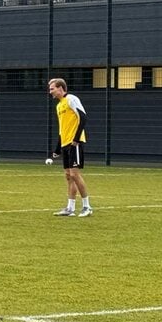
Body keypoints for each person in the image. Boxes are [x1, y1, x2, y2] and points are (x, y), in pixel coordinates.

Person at [48, 77, 92, 217]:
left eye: (52, 89)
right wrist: (57, 149)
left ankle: (87, 207)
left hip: (75, 143)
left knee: (74, 174)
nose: (50, 92)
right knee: (68, 176)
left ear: (60, 88)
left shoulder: (71, 99)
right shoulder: (59, 105)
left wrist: (76, 139)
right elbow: (62, 129)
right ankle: (70, 208)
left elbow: (83, 117)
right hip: (66, 143)